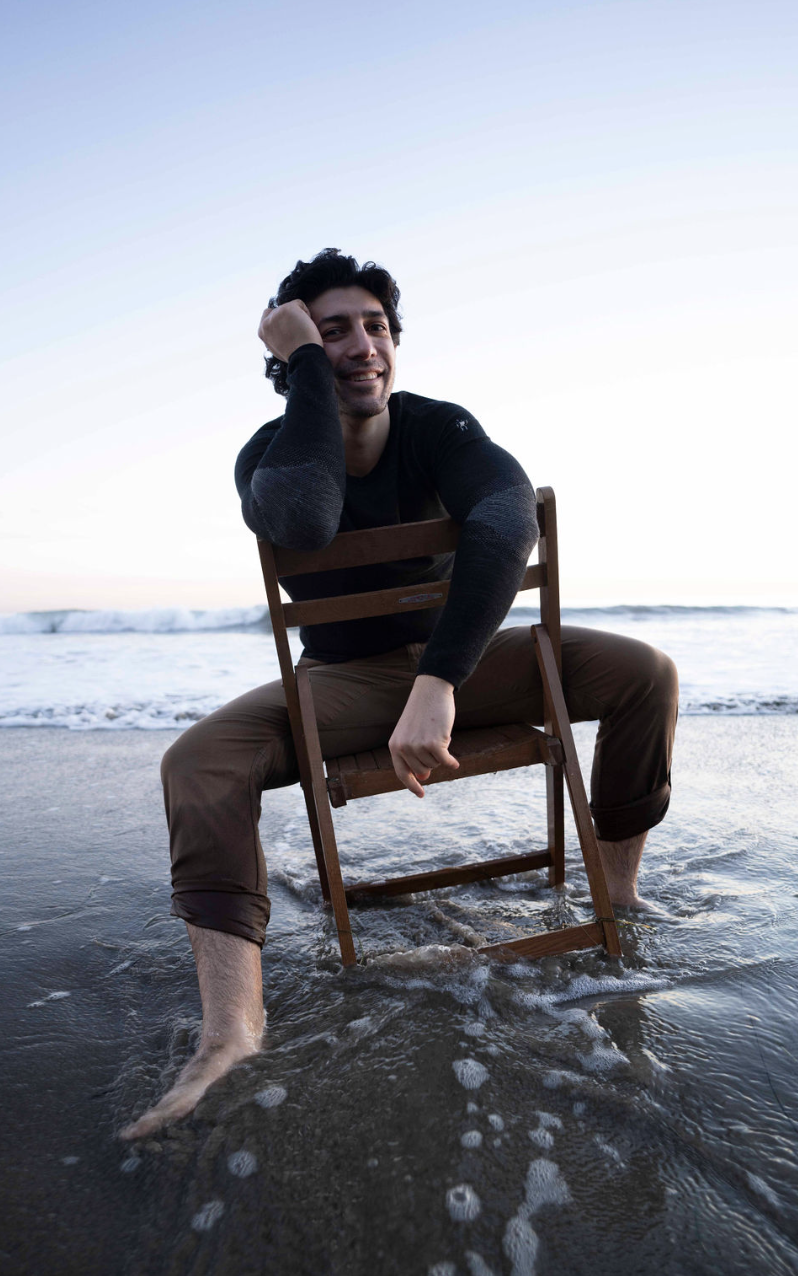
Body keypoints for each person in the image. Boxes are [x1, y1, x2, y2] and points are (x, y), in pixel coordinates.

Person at [121, 249, 678, 1140]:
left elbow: (507, 520)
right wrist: (304, 367)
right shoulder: (267, 456)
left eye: (375, 327)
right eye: (331, 331)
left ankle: (619, 895)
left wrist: (439, 680)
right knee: (197, 762)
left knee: (645, 670)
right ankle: (231, 1031)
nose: (361, 345)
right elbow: (304, 521)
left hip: (461, 669)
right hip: (340, 686)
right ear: (293, 353)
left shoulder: (440, 428)